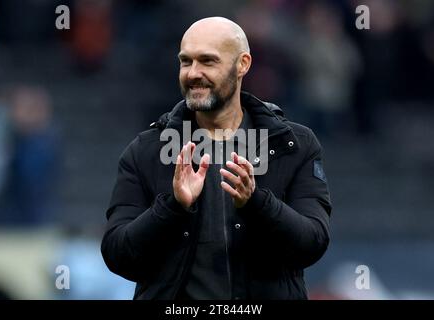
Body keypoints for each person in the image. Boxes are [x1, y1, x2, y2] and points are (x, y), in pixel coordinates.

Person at [101, 17, 332, 300]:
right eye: (186, 62)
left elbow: (312, 243)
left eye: (208, 61)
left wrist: (256, 203)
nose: (193, 73)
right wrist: (172, 207)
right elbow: (117, 255)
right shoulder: (147, 150)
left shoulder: (293, 145)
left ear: (243, 64)